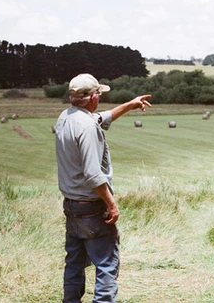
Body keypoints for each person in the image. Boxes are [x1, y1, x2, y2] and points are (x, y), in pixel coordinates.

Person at [55, 73, 151, 303]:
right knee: (107, 265)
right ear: (92, 97)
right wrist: (111, 204)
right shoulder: (87, 127)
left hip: (71, 205)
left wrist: (130, 105)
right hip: (91, 207)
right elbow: (93, 174)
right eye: (98, 93)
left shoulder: (66, 117)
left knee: (74, 264)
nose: (100, 97)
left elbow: (103, 118)